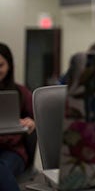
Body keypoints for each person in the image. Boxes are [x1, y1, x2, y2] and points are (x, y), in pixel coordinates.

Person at [0, 43, 35, 191]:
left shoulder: (21, 92)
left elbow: (37, 119)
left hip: (12, 151)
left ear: (9, 66)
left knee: (1, 169)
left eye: (0, 65)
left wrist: (31, 122)